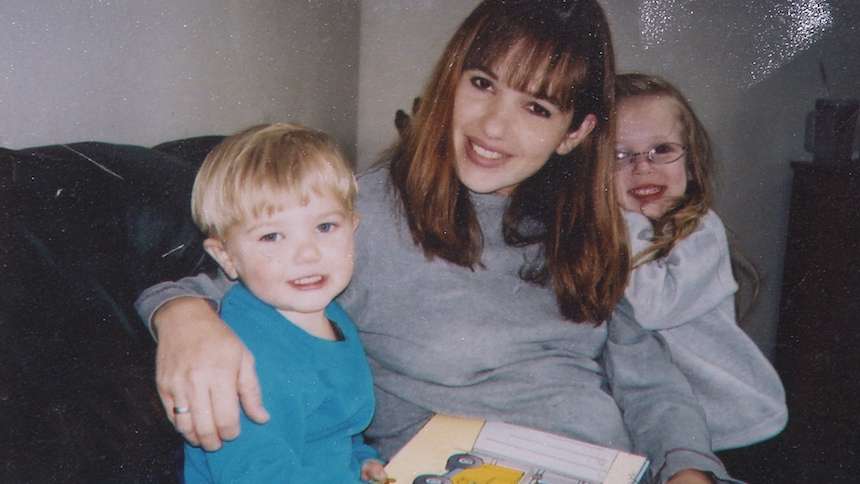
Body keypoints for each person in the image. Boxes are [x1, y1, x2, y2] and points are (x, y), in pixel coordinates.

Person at [137, 2, 742, 482]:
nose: (493, 127)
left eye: (536, 107)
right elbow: (236, 266)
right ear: (451, 82)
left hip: (609, 467)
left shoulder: (587, 226)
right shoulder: (357, 213)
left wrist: (689, 466)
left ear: (575, 132)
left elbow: (648, 378)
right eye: (482, 84)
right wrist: (180, 314)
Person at [179, 123, 387, 483]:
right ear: (226, 256)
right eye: (272, 236)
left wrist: (361, 459)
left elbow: (337, 429)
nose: (308, 253)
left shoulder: (328, 313)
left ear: (353, 227)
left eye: (325, 227)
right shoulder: (246, 359)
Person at [611, 73, 787, 450]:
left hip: (736, 424)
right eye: (619, 155)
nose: (643, 167)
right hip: (666, 427)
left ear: (691, 164)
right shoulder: (609, 237)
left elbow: (646, 308)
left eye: (661, 149)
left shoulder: (701, 230)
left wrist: (624, 217)